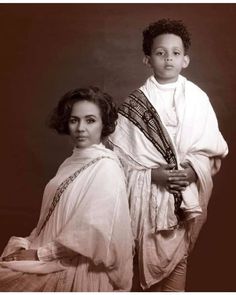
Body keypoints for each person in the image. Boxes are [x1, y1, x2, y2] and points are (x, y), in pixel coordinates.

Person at [108, 18, 228, 291]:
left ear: (185, 59)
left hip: (185, 201)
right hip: (146, 204)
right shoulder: (134, 105)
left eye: (175, 53)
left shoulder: (198, 99)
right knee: (138, 270)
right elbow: (117, 162)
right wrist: (152, 175)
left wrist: (192, 170)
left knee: (177, 266)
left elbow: (213, 152)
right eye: (160, 53)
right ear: (147, 59)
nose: (168, 59)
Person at [0, 87, 133, 291]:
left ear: (104, 124)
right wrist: (30, 244)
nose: (80, 128)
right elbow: (50, 218)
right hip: (46, 254)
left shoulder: (106, 167)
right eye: (74, 120)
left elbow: (91, 232)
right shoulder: (71, 161)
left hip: (76, 269)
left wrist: (39, 255)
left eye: (90, 120)